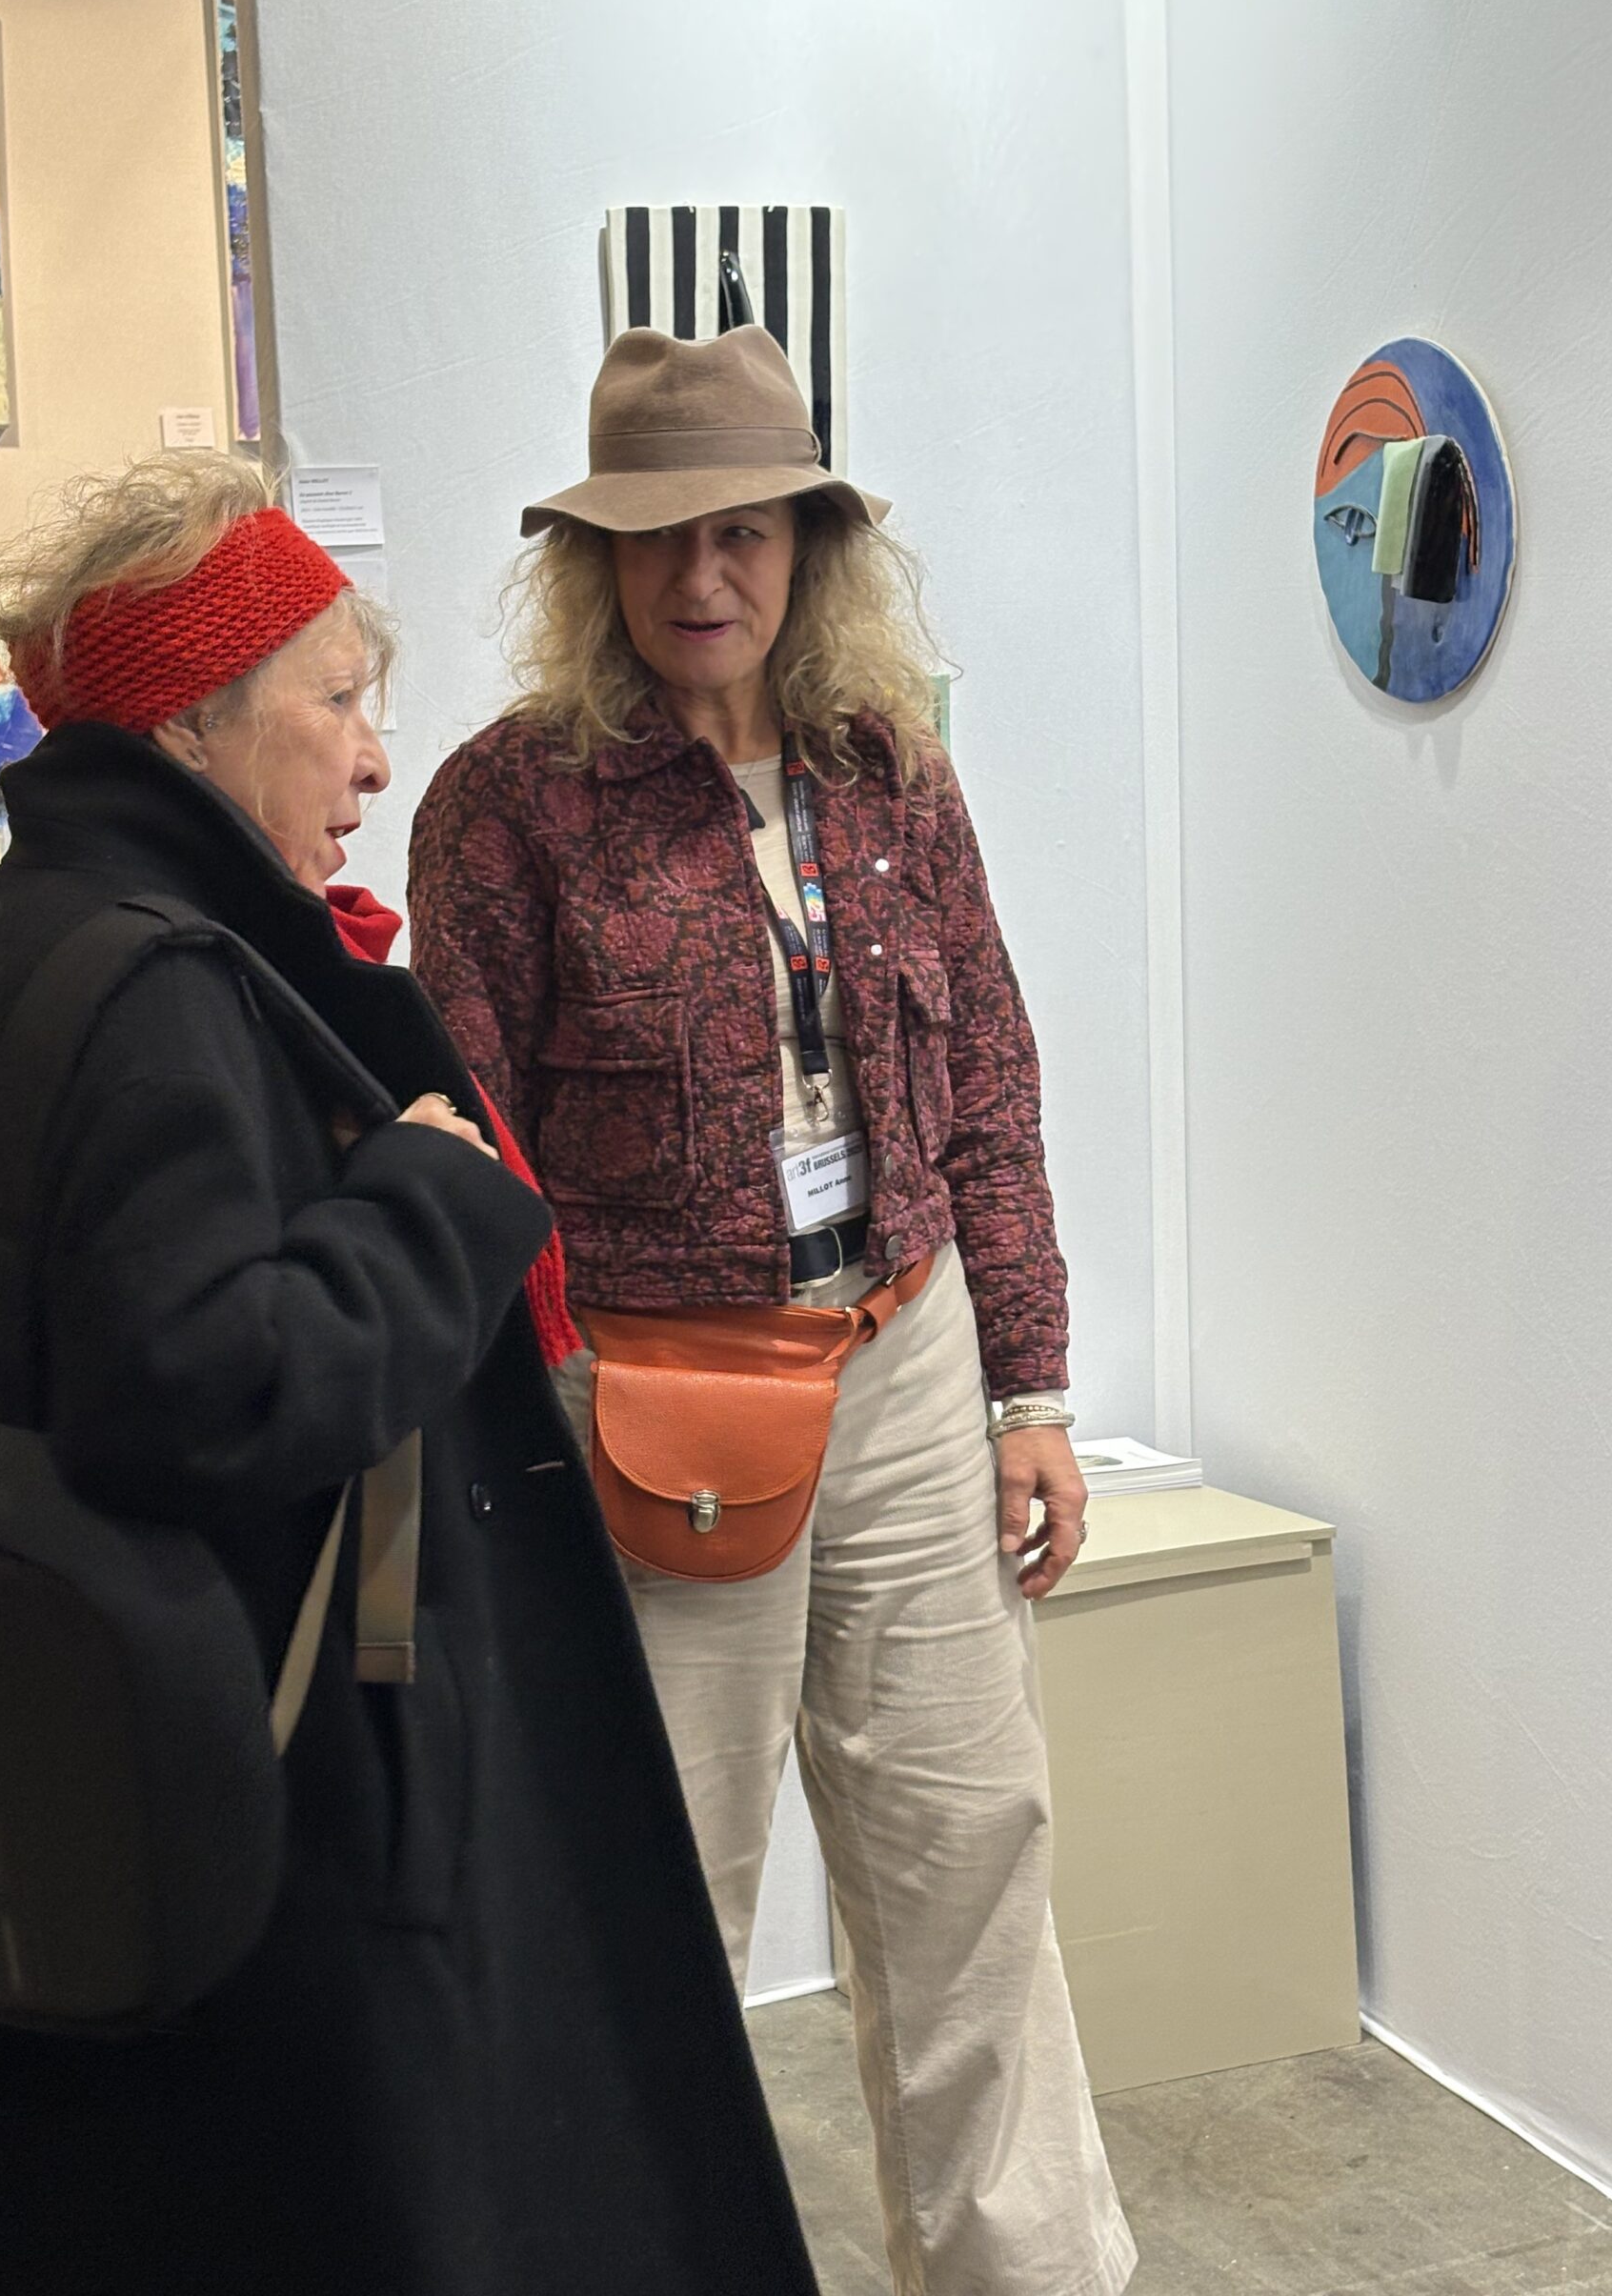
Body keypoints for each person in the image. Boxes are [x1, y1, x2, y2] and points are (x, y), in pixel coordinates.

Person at [0, 454, 817, 2296]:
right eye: (339, 701)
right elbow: (205, 1392)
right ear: (195, 724)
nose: (375, 761)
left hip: (41, 1813)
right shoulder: (163, 993)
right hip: (250, 1831)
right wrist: (431, 1204)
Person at [410, 328, 1138, 2296]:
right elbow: (467, 1149)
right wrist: (525, 1443)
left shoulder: (893, 770)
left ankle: (1023, 2275)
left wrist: (1032, 1390)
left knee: (970, 1860)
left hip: (909, 1350)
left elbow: (990, 1086)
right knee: (655, 1897)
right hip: (653, 1402)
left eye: (741, 530)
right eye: (656, 537)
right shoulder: (507, 806)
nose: (701, 574)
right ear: (595, 564)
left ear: (811, 546)